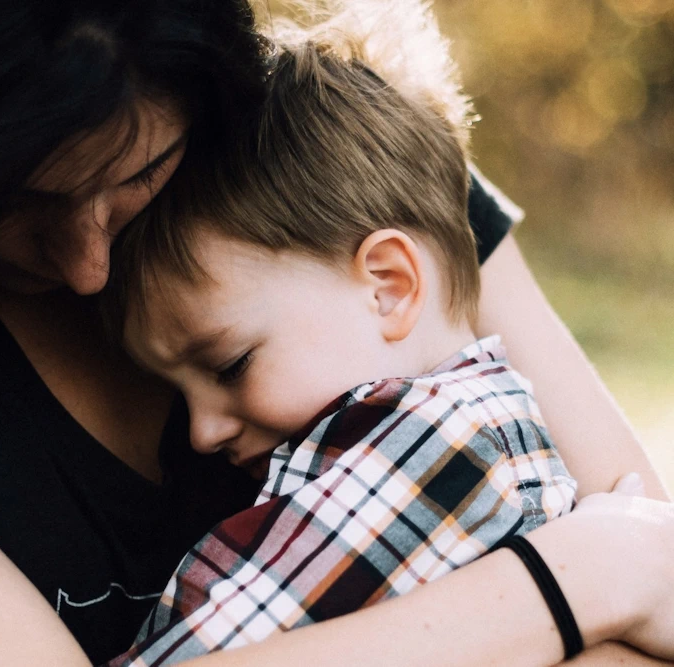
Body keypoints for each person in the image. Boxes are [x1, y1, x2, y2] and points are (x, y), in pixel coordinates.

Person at [0, 1, 671, 665]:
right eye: (8, 204)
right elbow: (634, 567)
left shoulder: (326, 165)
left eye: (137, 176)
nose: (86, 267)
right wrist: (572, 581)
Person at [104, 12, 582, 662]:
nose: (200, 432)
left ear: (388, 286)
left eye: (229, 364)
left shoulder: (430, 450)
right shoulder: (493, 425)